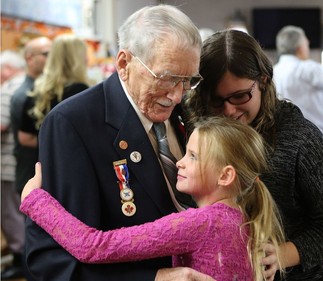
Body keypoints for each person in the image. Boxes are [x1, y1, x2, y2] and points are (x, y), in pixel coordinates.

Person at [23, 5, 222, 281]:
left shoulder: (182, 112)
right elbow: (52, 260)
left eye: (188, 80)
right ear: (124, 64)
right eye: (167, 78)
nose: (177, 95)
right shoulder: (73, 124)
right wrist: (155, 277)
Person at [20, 116, 286, 281]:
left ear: (225, 175)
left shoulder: (200, 223)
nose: (179, 162)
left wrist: (35, 201)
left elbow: (94, 247)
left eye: (193, 157)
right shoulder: (243, 220)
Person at [184, 29, 323, 281]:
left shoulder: (301, 139)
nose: (229, 111)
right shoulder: (197, 130)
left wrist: (281, 255)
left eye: (240, 96)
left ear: (263, 80)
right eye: (217, 101)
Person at [18, 33, 90, 149]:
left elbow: (25, 138)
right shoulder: (83, 92)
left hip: (43, 162)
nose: (87, 59)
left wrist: (50, 147)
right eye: (85, 55)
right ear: (78, 59)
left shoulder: (37, 89)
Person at [10, 36, 52, 194]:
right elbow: (25, 138)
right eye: (47, 54)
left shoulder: (44, 91)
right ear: (29, 58)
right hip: (30, 175)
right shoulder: (25, 93)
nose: (52, 58)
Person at [0, 50, 27, 280]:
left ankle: (21, 259)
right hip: (25, 162)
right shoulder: (31, 83)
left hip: (8, 163)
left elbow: (1, 124)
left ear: (7, 68)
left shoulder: (8, 89)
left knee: (11, 214)